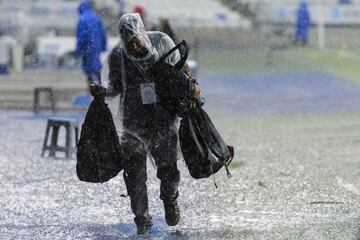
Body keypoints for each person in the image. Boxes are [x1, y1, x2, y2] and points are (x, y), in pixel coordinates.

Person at [90, 13, 200, 235]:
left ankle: (170, 200)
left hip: (163, 119)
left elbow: (181, 71)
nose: (135, 45)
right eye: (129, 42)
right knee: (135, 173)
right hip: (133, 124)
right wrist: (103, 91)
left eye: (136, 39)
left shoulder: (161, 42)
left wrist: (193, 87)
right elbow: (115, 87)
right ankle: (142, 218)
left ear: (142, 32)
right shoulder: (118, 57)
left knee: (168, 168)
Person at [75, 0, 107, 85]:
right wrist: (103, 46)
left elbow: (81, 36)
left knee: (89, 70)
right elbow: (103, 33)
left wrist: (79, 49)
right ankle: (100, 87)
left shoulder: (82, 19)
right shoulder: (97, 18)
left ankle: (93, 90)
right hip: (96, 46)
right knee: (96, 67)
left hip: (87, 48)